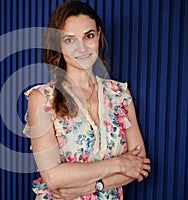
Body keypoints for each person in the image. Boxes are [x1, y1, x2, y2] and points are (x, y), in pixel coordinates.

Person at [23, 1, 151, 199]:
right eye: (70, 40)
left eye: (88, 36)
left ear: (98, 36)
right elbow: (53, 177)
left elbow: (139, 164)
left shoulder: (119, 94)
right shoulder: (41, 98)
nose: (81, 48)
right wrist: (118, 164)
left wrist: (92, 185)